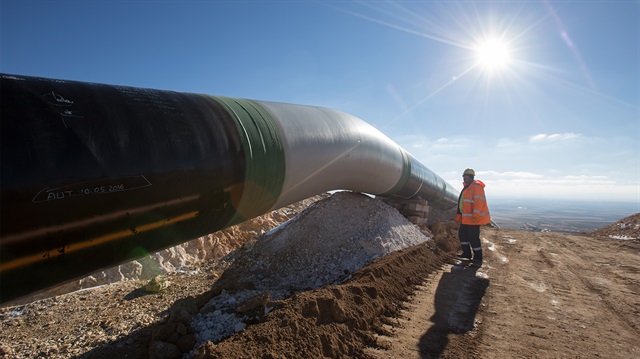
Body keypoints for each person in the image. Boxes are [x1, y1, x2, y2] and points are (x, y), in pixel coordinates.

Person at [455, 168, 491, 266]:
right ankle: (466, 253)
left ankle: (478, 257)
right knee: (463, 236)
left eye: (465, 177)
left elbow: (478, 202)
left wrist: (476, 215)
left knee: (473, 238)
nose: (464, 179)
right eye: (463, 177)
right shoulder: (467, 187)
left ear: (471, 177)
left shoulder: (476, 187)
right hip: (465, 218)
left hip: (473, 219)